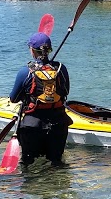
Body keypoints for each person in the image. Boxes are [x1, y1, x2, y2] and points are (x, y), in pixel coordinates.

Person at [9, 32, 72, 166]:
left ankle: (35, 186)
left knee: (28, 164)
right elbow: (65, 92)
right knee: (56, 163)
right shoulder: (61, 69)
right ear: (49, 50)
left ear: (32, 51)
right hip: (59, 124)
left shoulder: (25, 72)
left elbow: (13, 99)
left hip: (32, 126)